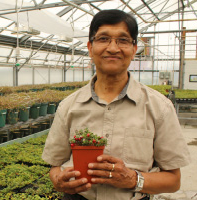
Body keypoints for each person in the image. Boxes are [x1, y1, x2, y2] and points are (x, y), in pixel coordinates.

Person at [42, 9, 190, 200]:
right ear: (90, 47)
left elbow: (173, 181)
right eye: (103, 39)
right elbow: (55, 166)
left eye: (123, 40)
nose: (113, 48)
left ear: (134, 49)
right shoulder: (68, 106)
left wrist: (133, 179)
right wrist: (58, 181)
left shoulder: (159, 107)